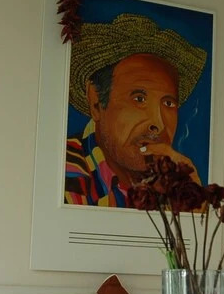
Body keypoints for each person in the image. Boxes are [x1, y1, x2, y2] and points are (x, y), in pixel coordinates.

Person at [64, 13, 208, 207]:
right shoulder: (63, 172)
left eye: (168, 103)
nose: (158, 123)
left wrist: (194, 204)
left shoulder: (169, 183)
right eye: (139, 99)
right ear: (96, 102)